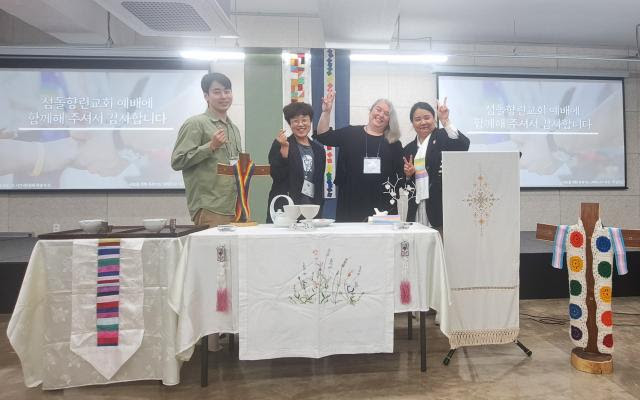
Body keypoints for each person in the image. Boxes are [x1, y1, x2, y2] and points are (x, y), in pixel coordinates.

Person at [315, 90, 404, 222]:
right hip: (350, 201)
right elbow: (323, 136)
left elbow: (400, 176)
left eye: (386, 114)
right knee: (351, 240)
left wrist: (408, 173)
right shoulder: (351, 133)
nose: (380, 115)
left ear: (390, 120)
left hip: (383, 204)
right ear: (370, 111)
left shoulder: (394, 143)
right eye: (378, 109)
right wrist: (326, 112)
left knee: (384, 241)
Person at [171, 72, 242, 227]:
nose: (224, 96)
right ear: (206, 96)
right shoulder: (195, 123)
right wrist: (211, 146)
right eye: (217, 92)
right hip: (210, 207)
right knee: (212, 252)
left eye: (227, 91)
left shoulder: (234, 128)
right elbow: (177, 161)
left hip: (235, 207)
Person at [403, 99, 470, 233]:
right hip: (416, 208)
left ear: (434, 119)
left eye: (427, 117)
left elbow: (463, 145)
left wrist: (445, 121)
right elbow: (405, 183)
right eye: (417, 119)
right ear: (412, 123)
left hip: (439, 207)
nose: (423, 122)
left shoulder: (442, 137)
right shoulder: (408, 149)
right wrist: (408, 175)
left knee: (439, 249)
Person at [266, 102, 326, 222]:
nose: (300, 124)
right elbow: (277, 176)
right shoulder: (281, 144)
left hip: (311, 206)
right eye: (295, 121)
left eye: (304, 120)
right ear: (290, 124)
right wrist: (284, 153)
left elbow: (319, 182)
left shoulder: (319, 150)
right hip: (287, 204)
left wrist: (319, 207)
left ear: (310, 122)